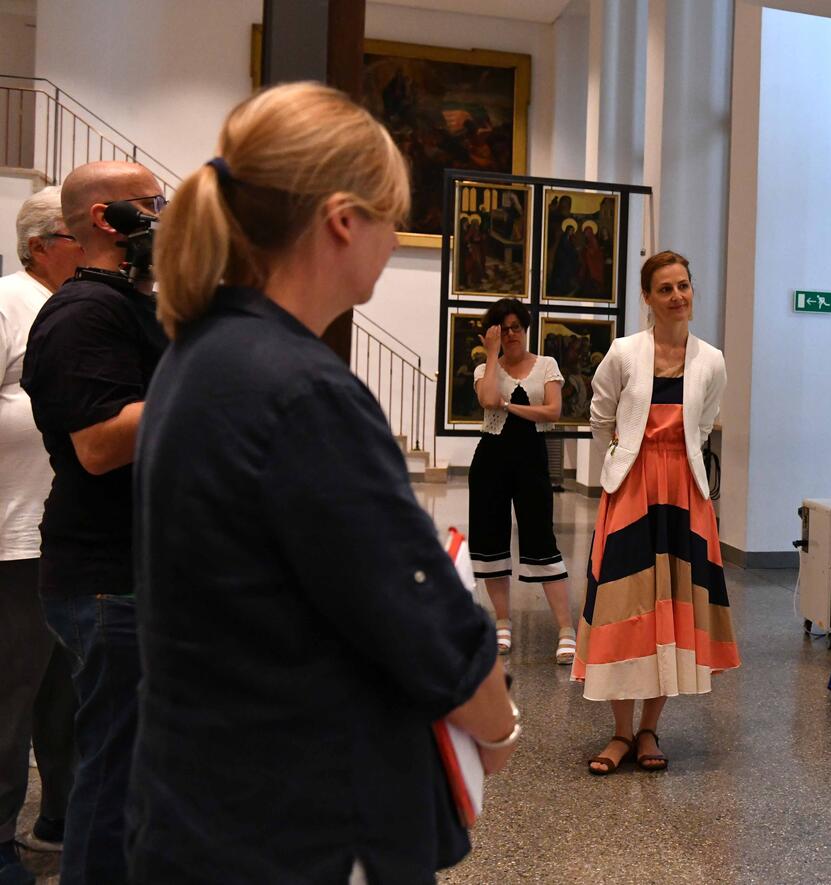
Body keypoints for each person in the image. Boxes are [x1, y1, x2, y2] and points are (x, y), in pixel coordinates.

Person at [131, 82, 516, 885]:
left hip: (206, 800)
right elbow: (419, 615)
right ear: (343, 220)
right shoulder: (301, 389)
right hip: (298, 819)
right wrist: (499, 726)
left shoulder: (201, 352)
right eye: (393, 217)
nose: (395, 239)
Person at [20, 161, 168, 885]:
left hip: (136, 569)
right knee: (112, 776)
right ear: (108, 219)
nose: (164, 216)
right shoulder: (84, 313)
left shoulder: (131, 305)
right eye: (152, 204)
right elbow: (101, 445)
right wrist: (208, 371)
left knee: (135, 771)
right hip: (105, 579)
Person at [573, 250, 739, 775]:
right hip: (632, 487)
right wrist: (624, 460)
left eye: (683, 286)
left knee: (671, 605)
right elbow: (600, 416)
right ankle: (620, 731)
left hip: (683, 492)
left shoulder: (711, 360)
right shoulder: (624, 353)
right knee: (625, 607)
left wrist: (676, 463)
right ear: (646, 297)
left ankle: (649, 729)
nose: (677, 296)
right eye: (665, 288)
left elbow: (704, 423)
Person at [0, 187, 82, 885]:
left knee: (69, 691)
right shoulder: (8, 303)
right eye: (79, 235)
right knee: (9, 695)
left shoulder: (84, 308)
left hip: (69, 538)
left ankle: (62, 816)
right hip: (11, 539)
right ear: (41, 245)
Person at [469, 297, 575, 663]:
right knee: (490, 540)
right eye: (503, 329)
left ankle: (565, 629)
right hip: (490, 459)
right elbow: (487, 399)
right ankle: (502, 622)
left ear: (526, 329)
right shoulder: (485, 368)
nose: (511, 334)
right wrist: (492, 354)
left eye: (516, 327)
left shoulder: (546, 365)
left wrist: (509, 406)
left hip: (531, 459)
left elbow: (553, 411)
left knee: (541, 538)